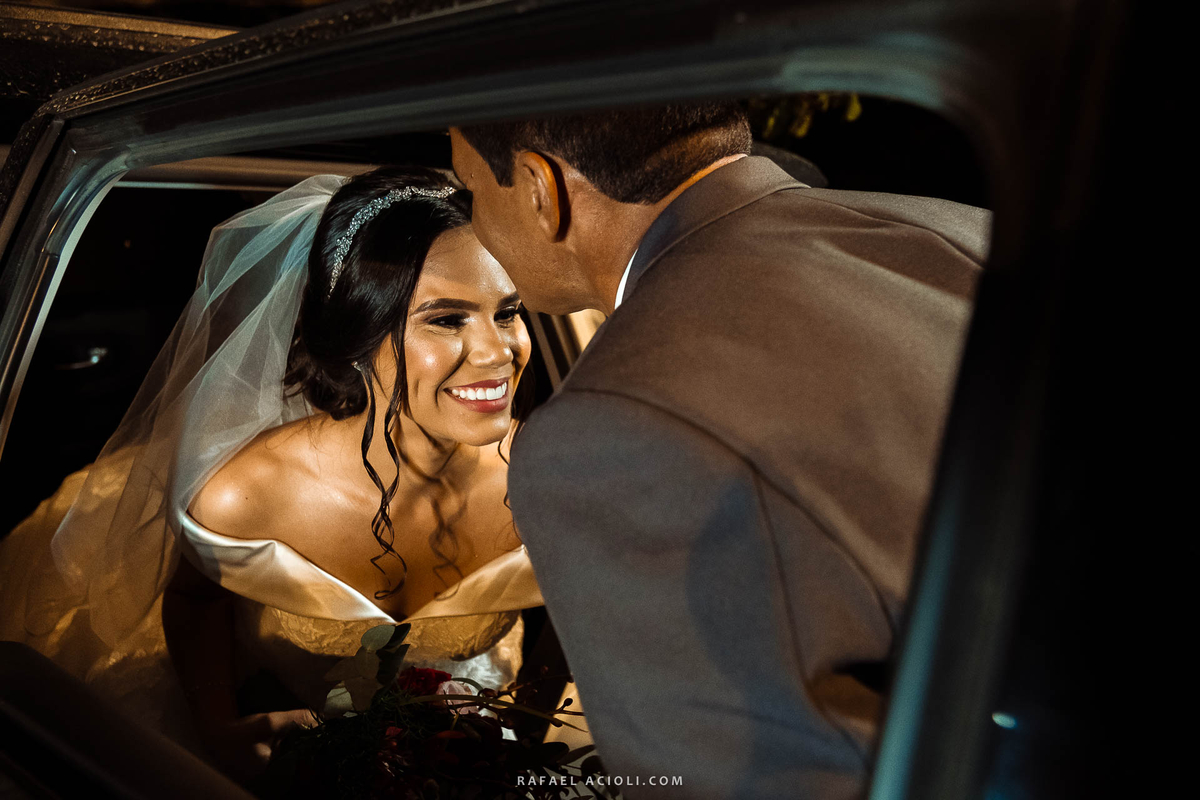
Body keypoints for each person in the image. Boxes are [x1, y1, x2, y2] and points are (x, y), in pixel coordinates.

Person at [450, 104, 990, 798]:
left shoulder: (611, 428)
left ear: (537, 189)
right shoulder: (968, 232)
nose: (476, 223)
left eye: (471, 189)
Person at [0, 166, 545, 783]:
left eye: (508, 312)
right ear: (357, 338)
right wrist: (219, 728)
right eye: (447, 319)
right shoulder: (242, 494)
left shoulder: (554, 478)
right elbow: (196, 597)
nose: (500, 351)